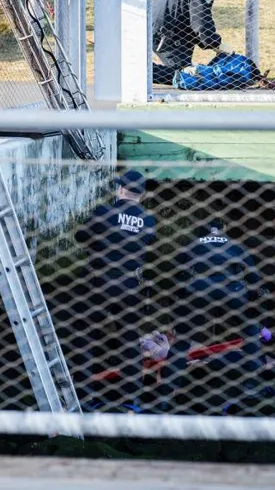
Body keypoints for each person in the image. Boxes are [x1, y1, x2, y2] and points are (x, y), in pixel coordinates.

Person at [161, 219, 275, 414]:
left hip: (200, 289)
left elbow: (177, 277)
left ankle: (167, 396)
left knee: (182, 342)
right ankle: (252, 388)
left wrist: (182, 300)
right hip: (231, 289)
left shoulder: (194, 244)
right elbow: (255, 281)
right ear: (224, 229)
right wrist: (253, 307)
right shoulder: (235, 245)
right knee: (251, 332)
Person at [73, 169, 157, 411]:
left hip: (98, 281)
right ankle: (131, 399)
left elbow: (81, 236)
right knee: (129, 340)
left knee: (85, 337)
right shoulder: (149, 221)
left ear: (120, 189)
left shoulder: (104, 212)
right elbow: (147, 241)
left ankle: (86, 398)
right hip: (130, 285)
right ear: (142, 194)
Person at [151, 0, 234, 85]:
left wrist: (212, 43)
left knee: (187, 73)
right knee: (184, 76)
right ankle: (145, 73)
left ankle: (146, 72)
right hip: (166, 33)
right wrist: (217, 44)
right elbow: (201, 24)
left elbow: (196, 24)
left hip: (170, 30)